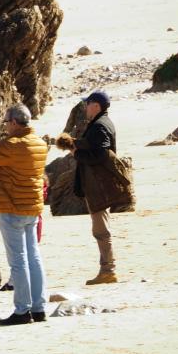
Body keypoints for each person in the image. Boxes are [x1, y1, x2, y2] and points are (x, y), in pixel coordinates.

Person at [0, 104, 48, 326]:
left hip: (12, 208)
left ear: (14, 122)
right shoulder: (38, 143)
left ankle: (22, 310)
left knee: (19, 261)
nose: (5, 125)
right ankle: (39, 307)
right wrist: (1, 144)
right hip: (32, 208)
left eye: (6, 122)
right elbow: (15, 157)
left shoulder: (13, 145)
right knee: (34, 257)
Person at [73, 90, 133, 285]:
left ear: (96, 106)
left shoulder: (99, 125)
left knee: (100, 229)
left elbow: (101, 154)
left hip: (98, 185)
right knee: (100, 226)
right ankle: (107, 268)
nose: (85, 108)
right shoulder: (102, 123)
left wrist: (77, 153)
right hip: (98, 183)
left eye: (87, 104)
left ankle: (108, 269)